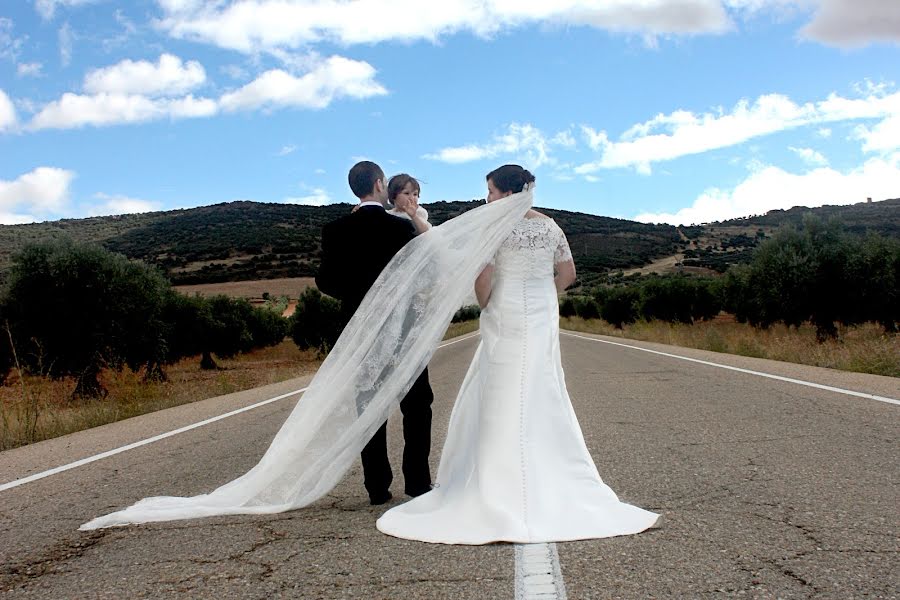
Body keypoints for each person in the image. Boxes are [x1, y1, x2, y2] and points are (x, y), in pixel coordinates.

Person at [376, 165, 659, 544]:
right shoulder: (551, 226)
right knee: (541, 389)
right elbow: (569, 273)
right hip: (541, 315)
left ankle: (497, 481)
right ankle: (549, 474)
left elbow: (484, 276)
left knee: (502, 389)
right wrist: (545, 293)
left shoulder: (496, 225)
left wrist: (487, 303)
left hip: (506, 311)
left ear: (507, 193)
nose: (487, 199)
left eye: (490, 192)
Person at [316, 161, 435, 505]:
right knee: (416, 405)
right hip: (404, 328)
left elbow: (324, 282)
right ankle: (417, 483)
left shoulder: (335, 230)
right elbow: (424, 272)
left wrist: (357, 299)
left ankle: (377, 488)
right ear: (380, 184)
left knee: (368, 408)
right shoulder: (400, 229)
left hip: (360, 330)